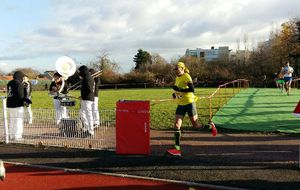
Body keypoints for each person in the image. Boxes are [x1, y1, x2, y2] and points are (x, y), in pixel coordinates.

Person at [167, 62, 217, 156]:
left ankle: (211, 126)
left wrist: (179, 89)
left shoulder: (187, 76)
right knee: (177, 126)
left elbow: (192, 89)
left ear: (182, 68)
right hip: (181, 104)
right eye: (175, 69)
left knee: (196, 126)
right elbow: (178, 89)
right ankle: (177, 149)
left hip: (190, 103)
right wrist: (175, 94)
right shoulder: (177, 78)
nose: (175, 71)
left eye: (177, 69)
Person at [6, 71, 27, 141]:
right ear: (19, 76)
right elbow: (21, 95)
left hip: (10, 104)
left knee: (12, 120)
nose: (23, 78)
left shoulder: (9, 82)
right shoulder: (19, 83)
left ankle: (11, 135)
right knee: (18, 120)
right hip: (17, 104)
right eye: (22, 77)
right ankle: (18, 136)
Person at [78, 65, 95, 137]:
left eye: (80, 71)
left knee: (88, 115)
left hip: (87, 99)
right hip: (87, 98)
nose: (79, 73)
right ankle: (87, 128)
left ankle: (90, 131)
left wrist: (83, 97)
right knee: (82, 113)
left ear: (83, 71)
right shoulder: (88, 77)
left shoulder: (87, 78)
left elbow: (89, 90)